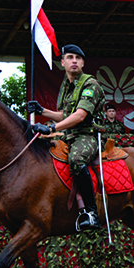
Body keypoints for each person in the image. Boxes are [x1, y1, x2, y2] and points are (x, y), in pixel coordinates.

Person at [27, 44, 105, 231]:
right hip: (68, 135)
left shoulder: (90, 84)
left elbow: (80, 116)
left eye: (78, 58)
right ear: (62, 62)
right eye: (70, 57)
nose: (74, 61)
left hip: (87, 135)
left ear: (83, 62)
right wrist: (42, 110)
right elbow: (65, 115)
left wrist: (52, 127)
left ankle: (92, 213)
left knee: (76, 160)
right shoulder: (68, 87)